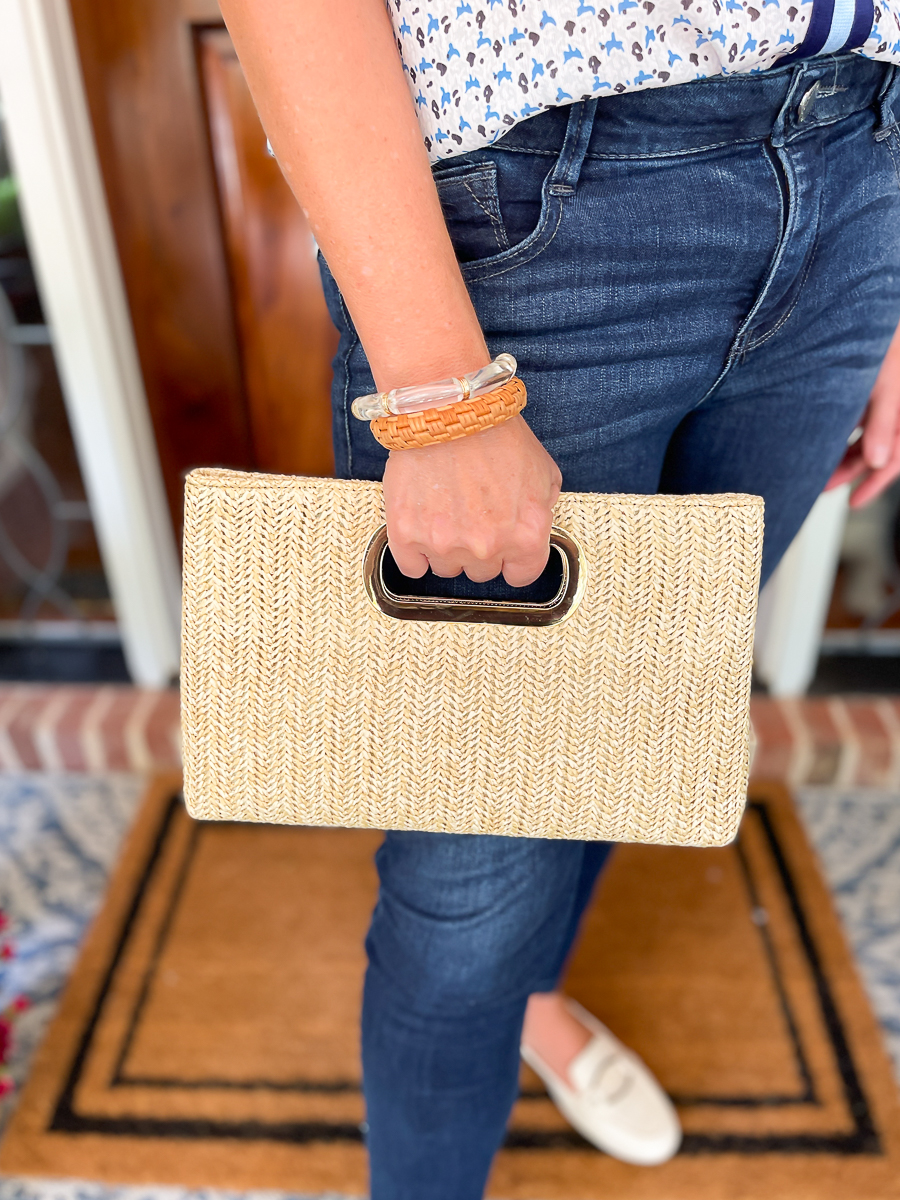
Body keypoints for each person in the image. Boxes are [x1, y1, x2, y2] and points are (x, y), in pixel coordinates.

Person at [219, 2, 900, 1196]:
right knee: (469, 890)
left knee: (635, 721)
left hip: (869, 183)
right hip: (550, 206)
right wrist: (438, 393)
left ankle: (533, 1003)